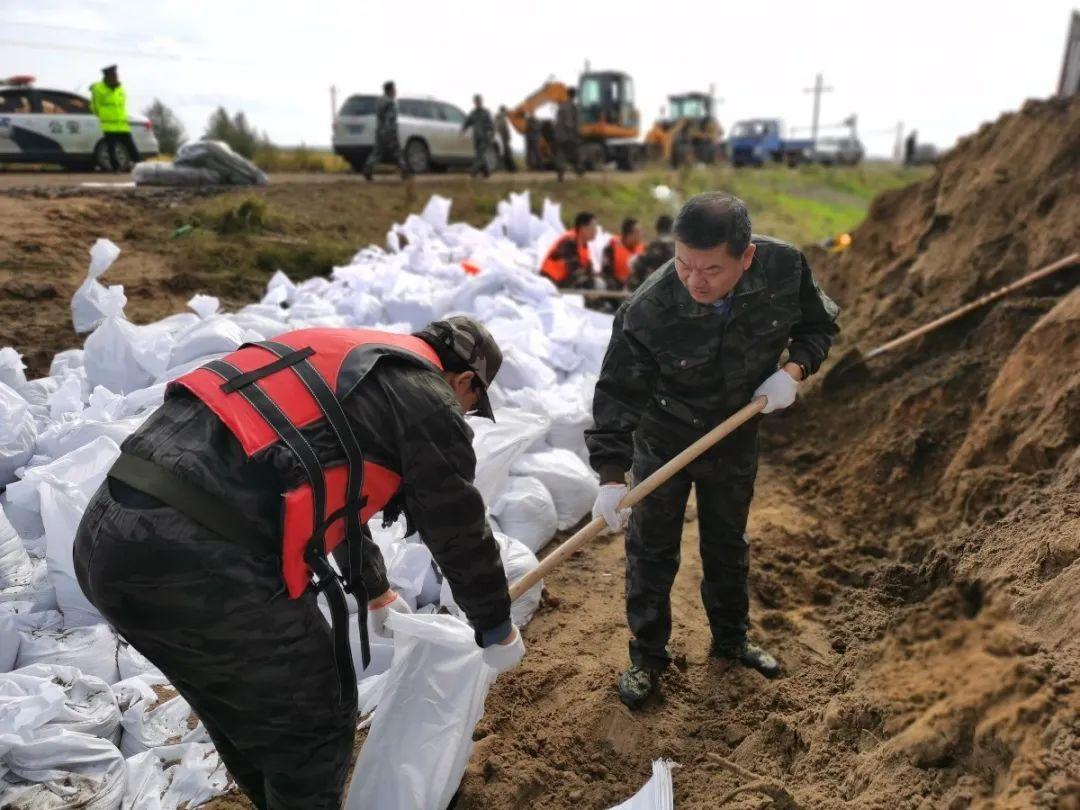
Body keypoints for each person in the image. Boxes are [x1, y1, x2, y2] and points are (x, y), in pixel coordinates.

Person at [73, 317, 524, 809]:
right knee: (316, 716)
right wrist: (496, 624)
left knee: (241, 709)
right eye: (472, 407)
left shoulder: (346, 352)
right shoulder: (428, 398)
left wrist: (374, 588)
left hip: (107, 534)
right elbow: (456, 525)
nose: (465, 413)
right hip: (193, 555)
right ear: (465, 383)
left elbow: (331, 483)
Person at [586, 192, 839, 710]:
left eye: (712, 269)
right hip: (664, 439)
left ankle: (730, 640)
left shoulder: (783, 268)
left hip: (734, 434)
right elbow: (616, 393)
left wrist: (793, 372)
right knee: (652, 552)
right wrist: (612, 475)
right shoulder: (650, 309)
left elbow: (818, 326)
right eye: (683, 264)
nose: (695, 280)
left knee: (727, 544)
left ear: (746, 257)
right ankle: (648, 657)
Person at [89, 65, 140, 171]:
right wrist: (104, 116)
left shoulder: (120, 89)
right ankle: (115, 168)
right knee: (111, 148)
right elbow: (94, 107)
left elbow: (123, 104)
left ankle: (140, 165)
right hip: (109, 124)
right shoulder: (98, 89)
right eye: (113, 76)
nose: (116, 78)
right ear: (107, 77)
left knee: (130, 145)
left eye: (116, 75)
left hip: (121, 123)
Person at [363, 81, 410, 180]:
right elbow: (390, 118)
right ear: (390, 90)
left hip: (379, 130)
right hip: (389, 131)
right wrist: (391, 131)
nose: (395, 91)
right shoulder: (391, 102)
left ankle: (367, 169)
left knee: (377, 152)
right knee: (397, 152)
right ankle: (405, 172)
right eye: (394, 89)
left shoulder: (380, 101)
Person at [541, 211, 598, 288]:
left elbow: (588, 268)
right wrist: (590, 283)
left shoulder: (584, 245)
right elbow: (574, 269)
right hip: (551, 281)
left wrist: (594, 278)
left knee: (597, 284)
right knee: (589, 286)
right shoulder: (569, 242)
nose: (596, 231)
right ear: (583, 228)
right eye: (593, 227)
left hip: (565, 280)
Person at [628, 214, 676, 291]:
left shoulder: (655, 244)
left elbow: (641, 266)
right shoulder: (679, 246)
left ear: (657, 228)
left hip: (657, 288)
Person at [601, 217, 645, 291]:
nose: (641, 234)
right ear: (629, 234)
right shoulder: (612, 247)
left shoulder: (643, 250)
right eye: (638, 232)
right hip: (615, 288)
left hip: (635, 287)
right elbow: (606, 273)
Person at [462, 94, 495, 179]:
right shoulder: (473, 113)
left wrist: (491, 134)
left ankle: (473, 172)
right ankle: (486, 173)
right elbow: (467, 122)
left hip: (485, 138)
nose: (478, 103)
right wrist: (463, 129)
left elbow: (491, 125)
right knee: (480, 155)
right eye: (476, 101)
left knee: (479, 155)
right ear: (474, 102)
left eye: (479, 101)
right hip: (476, 138)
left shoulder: (486, 112)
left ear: (481, 101)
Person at [554, 87, 582, 181]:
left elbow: (557, 121)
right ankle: (578, 169)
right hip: (568, 135)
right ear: (574, 95)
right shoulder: (573, 107)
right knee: (575, 152)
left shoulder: (561, 106)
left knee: (560, 155)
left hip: (559, 135)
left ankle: (560, 174)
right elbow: (571, 123)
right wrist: (575, 134)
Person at [494, 105, 517, 172]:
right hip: (502, 139)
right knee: (507, 154)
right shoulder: (500, 118)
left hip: (503, 139)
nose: (506, 113)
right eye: (505, 111)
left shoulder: (499, 118)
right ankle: (512, 169)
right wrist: (507, 137)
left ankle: (510, 169)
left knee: (506, 154)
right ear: (503, 111)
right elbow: (500, 129)